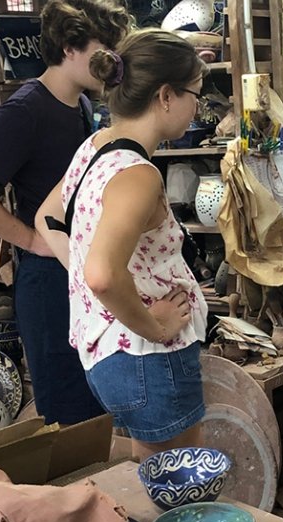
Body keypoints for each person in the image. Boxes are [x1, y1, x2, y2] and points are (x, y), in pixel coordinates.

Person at [0, 0, 132, 426]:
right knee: (68, 418)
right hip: (47, 280)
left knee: (98, 412)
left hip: (79, 270)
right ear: (69, 47)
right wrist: (28, 238)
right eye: (103, 52)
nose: (111, 64)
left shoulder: (80, 104)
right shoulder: (27, 109)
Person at [35, 29, 209, 460]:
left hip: (109, 356)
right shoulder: (137, 175)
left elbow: (47, 219)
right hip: (150, 357)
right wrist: (155, 326)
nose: (197, 107)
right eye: (195, 94)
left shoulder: (95, 147)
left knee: (151, 472)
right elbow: (102, 275)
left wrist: (83, 272)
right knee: (184, 486)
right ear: (165, 96)